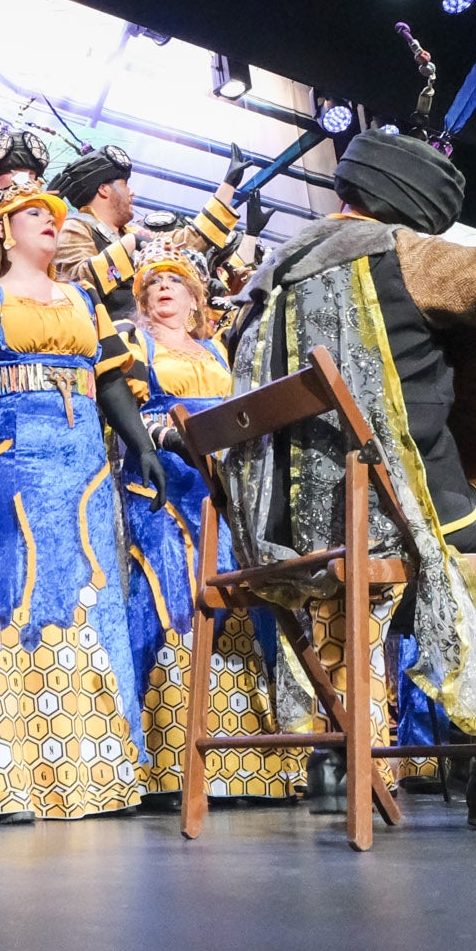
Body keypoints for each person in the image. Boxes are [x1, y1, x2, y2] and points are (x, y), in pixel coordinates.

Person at [224, 132, 476, 833]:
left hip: (280, 539)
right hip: (394, 517)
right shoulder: (403, 254)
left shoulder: (262, 282)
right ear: (409, 208)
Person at [0, 173, 161, 820]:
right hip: (4, 444)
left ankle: (93, 768)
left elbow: (111, 377)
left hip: (81, 454)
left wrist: (140, 442)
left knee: (85, 593)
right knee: (10, 591)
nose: (48, 219)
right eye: (31, 211)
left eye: (53, 212)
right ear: (3, 228)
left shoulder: (82, 298)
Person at [115, 246, 297, 804]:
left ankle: (242, 765)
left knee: (236, 601)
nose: (164, 287)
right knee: (174, 596)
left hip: (219, 488)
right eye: (155, 283)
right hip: (162, 480)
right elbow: (123, 406)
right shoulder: (133, 341)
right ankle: (167, 763)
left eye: (176, 281)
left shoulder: (219, 350)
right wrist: (168, 436)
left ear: (197, 299)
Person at [47, 143, 239, 323]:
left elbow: (187, 241)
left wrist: (227, 187)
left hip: (148, 340)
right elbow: (75, 282)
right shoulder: (75, 226)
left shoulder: (134, 232)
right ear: (104, 190)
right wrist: (127, 245)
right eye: (125, 185)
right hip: (104, 344)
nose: (132, 192)